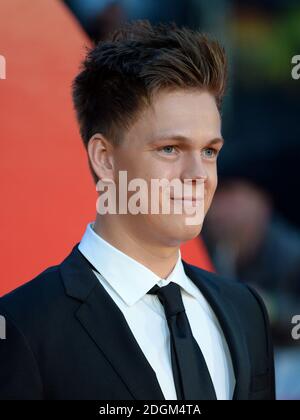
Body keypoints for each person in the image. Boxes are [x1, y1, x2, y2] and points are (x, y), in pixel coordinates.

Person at [0, 20, 275, 400]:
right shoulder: (23, 326)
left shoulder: (245, 311)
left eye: (209, 151)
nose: (199, 175)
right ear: (105, 159)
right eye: (170, 149)